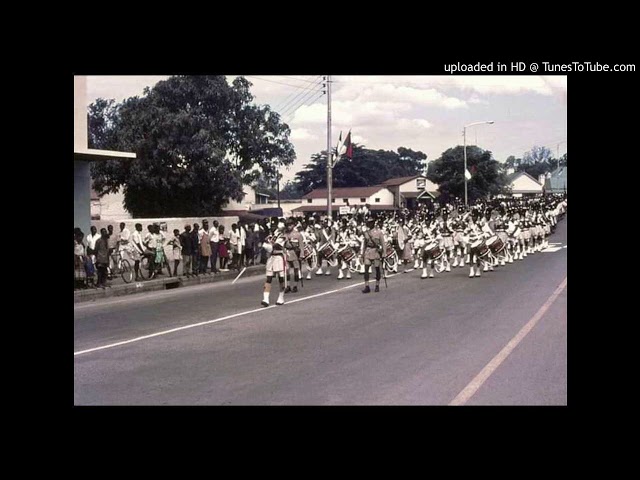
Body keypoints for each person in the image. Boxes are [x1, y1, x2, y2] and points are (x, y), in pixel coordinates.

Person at [261, 222, 287, 307]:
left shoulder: (281, 236)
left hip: (279, 258)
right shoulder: (270, 236)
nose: (272, 227)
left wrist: (264, 245)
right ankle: (266, 299)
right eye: (271, 226)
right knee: (268, 278)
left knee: (281, 278)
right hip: (271, 258)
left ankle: (281, 297)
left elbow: (275, 246)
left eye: (274, 226)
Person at [360, 218, 386, 293]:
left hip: (376, 251)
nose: (369, 224)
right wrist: (362, 254)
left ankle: (377, 285)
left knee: (377, 268)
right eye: (368, 223)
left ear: (373, 223)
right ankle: (367, 286)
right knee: (366, 268)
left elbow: (383, 243)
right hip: (368, 251)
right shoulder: (366, 233)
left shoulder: (379, 232)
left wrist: (384, 253)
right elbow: (364, 244)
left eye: (370, 223)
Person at [283, 218, 303, 293]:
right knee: (287, 270)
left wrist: (301, 255)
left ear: (293, 225)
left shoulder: (298, 234)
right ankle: (287, 285)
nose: (289, 227)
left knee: (296, 270)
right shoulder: (285, 234)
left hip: (295, 253)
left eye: (290, 225)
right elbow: (282, 244)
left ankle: (295, 285)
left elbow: (301, 246)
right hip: (287, 253)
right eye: (287, 225)